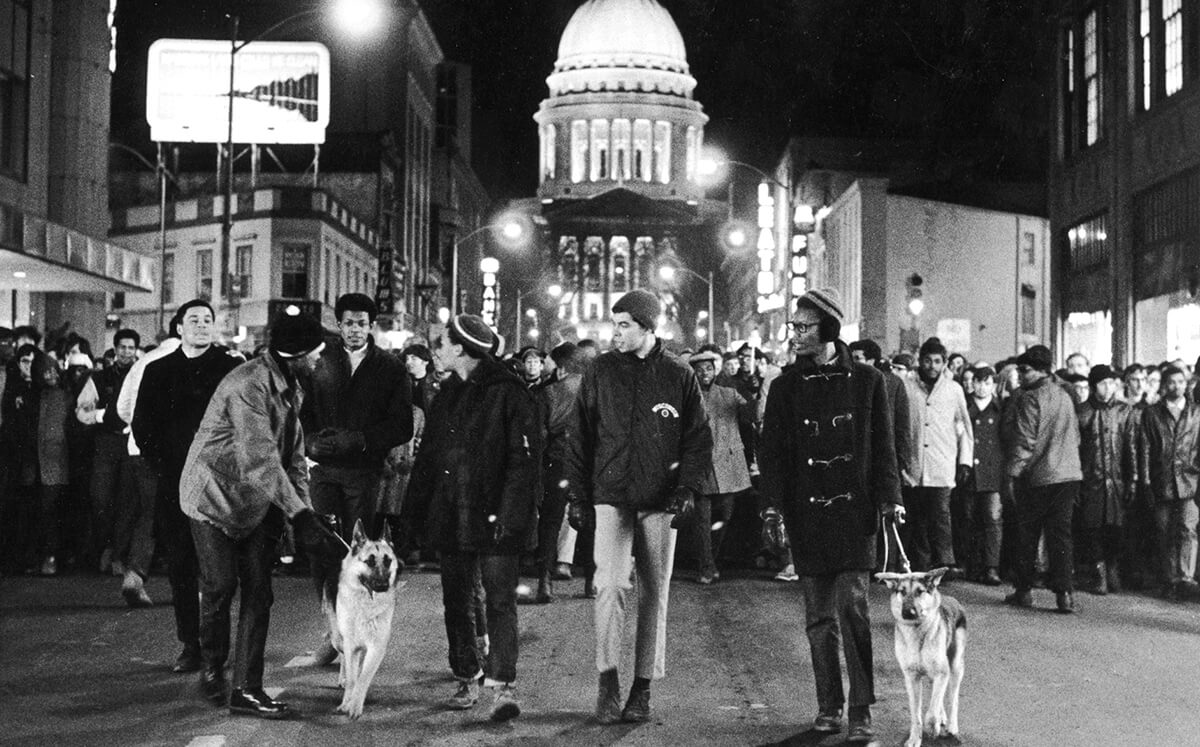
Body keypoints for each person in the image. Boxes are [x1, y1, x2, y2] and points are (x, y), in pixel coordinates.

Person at [181, 310, 343, 718]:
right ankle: (213, 668)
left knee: (259, 591)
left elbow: (293, 457)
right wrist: (299, 515)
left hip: (258, 500)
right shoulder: (247, 385)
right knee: (219, 585)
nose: (321, 359)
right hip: (213, 498)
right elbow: (259, 461)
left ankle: (247, 689)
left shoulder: (291, 384)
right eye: (317, 353)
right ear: (297, 354)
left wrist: (304, 512)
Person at [759, 288, 903, 743]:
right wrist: (773, 507)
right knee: (818, 616)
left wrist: (890, 498)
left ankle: (861, 709)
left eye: (804, 327)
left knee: (853, 609)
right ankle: (828, 706)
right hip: (807, 515)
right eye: (793, 327)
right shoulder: (784, 387)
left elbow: (885, 445)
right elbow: (773, 453)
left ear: (829, 329)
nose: (795, 335)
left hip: (855, 513)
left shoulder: (868, 381)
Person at [564, 288, 711, 725]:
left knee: (655, 593)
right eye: (616, 324)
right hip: (609, 495)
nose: (616, 333)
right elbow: (580, 435)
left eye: (625, 325)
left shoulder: (679, 375)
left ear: (649, 327)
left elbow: (697, 439)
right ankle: (607, 680)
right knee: (608, 585)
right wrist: (577, 494)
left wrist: (686, 488)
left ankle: (642, 686)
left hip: (661, 500)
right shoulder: (600, 371)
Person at [402, 314, 541, 722]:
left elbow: (523, 461)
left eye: (442, 343)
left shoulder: (510, 393)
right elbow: (428, 460)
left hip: (498, 515)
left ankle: (502, 686)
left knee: (499, 601)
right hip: (452, 511)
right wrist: (411, 519)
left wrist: (512, 515)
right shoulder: (447, 395)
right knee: (456, 600)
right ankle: (467, 673)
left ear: (461, 348)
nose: (437, 351)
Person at [132, 300, 244, 673]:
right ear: (178, 327)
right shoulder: (158, 370)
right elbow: (142, 426)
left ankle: (217, 647)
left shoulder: (230, 368)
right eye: (193, 320)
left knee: (219, 571)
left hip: (220, 484)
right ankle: (190, 645)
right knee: (181, 564)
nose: (201, 325)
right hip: (175, 482)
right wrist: (165, 466)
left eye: (207, 320)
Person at [301, 293, 413, 665]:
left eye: (362, 323)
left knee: (359, 555)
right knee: (321, 549)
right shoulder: (320, 362)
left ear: (372, 325)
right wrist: (311, 440)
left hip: (363, 473)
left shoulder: (391, 369)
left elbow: (402, 425)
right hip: (323, 469)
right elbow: (300, 411)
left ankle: (355, 634)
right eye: (348, 322)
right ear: (339, 324)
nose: (354, 330)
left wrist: (363, 439)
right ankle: (332, 628)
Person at [1003, 344, 1083, 613]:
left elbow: (1025, 441)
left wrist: (1012, 474)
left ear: (1039, 371)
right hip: (1069, 474)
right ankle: (1064, 595)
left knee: (1028, 533)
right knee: (1060, 536)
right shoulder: (1065, 395)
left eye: (1024, 371)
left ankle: (1024, 590)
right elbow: (1077, 436)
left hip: (1039, 476)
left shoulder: (1030, 398)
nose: (1021, 376)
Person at [116, 331, 183, 608]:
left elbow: (122, 408)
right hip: (179, 451)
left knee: (149, 513)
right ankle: (189, 585)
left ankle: (134, 575)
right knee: (184, 515)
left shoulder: (141, 363)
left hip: (139, 449)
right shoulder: (189, 361)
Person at [900, 337, 973, 577]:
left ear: (944, 363)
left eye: (937, 361)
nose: (932, 366)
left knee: (941, 515)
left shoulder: (954, 390)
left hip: (942, 463)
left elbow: (964, 429)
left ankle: (945, 562)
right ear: (920, 361)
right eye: (927, 360)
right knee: (917, 518)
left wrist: (964, 461)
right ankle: (921, 565)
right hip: (914, 466)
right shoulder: (907, 387)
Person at [75, 328, 140, 578]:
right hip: (105, 443)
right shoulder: (100, 378)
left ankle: (118, 554)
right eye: (122, 347)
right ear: (115, 349)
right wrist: (101, 418)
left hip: (132, 444)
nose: (126, 352)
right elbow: (82, 410)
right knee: (100, 498)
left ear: (135, 350)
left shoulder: (142, 376)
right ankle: (103, 546)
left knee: (127, 501)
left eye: (130, 348)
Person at [686, 349, 751, 585]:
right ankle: (706, 566)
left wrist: (750, 390)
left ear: (716, 370)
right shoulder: (687, 397)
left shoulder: (729, 393)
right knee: (701, 520)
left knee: (724, 515)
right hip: (701, 464)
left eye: (709, 368)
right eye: (700, 369)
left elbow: (751, 415)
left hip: (727, 464)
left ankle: (710, 560)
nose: (705, 373)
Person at [1075, 364, 1138, 595]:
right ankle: (1099, 574)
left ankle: (1113, 569)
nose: (1108, 387)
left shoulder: (1124, 411)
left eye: (1111, 382)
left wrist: (1132, 479)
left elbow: (1131, 447)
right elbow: (1076, 449)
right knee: (1093, 529)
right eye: (1103, 383)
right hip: (1091, 480)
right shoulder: (1081, 411)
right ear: (1093, 387)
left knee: (1116, 529)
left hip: (1117, 480)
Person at [1139, 365, 1200, 600]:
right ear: (1165, 385)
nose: (1177, 386)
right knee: (1164, 531)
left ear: (1187, 384)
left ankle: (1185, 578)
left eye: (1181, 382)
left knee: (1187, 529)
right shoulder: (1152, 413)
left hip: (1190, 480)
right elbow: (1144, 448)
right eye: (1172, 382)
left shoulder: (1196, 412)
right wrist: (1145, 480)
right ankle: (1170, 578)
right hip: (1161, 479)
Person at [964, 365, 1004, 585]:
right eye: (979, 382)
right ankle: (973, 565)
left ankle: (991, 567)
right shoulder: (965, 404)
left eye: (987, 383)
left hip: (992, 473)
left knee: (993, 519)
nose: (982, 387)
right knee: (969, 519)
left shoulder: (1000, 408)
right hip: (969, 471)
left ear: (994, 385)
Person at [402, 343, 438, 412]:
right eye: (407, 359)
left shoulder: (434, 384)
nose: (408, 362)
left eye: (413, 358)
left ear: (425, 361)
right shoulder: (404, 382)